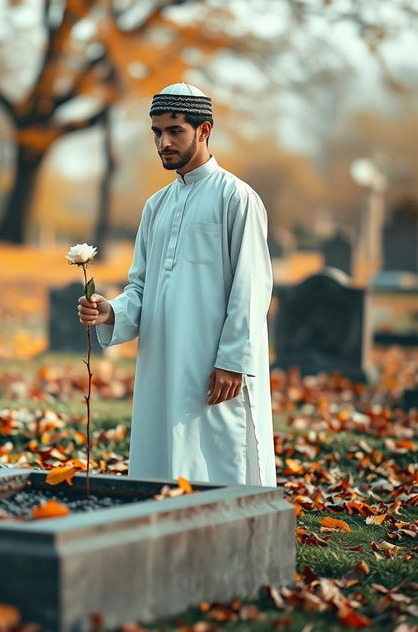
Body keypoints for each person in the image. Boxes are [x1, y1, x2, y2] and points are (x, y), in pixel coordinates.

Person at [77, 82, 276, 487]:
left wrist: (233, 360)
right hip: (163, 360)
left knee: (221, 455)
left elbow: (251, 287)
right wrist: (111, 310)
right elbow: (141, 287)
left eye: (174, 131)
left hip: (216, 366)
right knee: (162, 455)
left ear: (204, 131)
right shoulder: (156, 205)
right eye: (156, 132)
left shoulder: (236, 198)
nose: (163, 142)